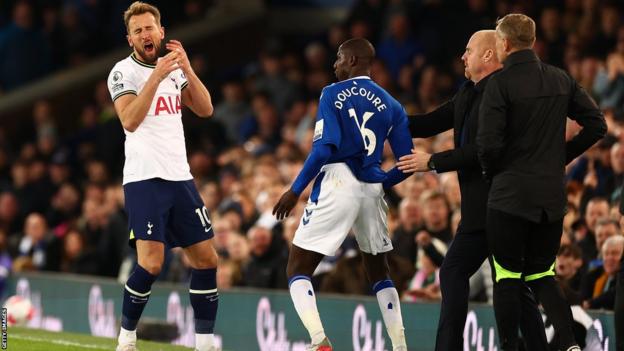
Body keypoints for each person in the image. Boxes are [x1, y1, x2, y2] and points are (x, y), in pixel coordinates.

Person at [396, 30, 548, 351]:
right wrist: (385, 117)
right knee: (453, 272)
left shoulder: (507, 95)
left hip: (506, 209)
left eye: (468, 51)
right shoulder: (468, 92)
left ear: (489, 55)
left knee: (513, 287)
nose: (463, 57)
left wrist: (433, 161)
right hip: (478, 214)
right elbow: (429, 122)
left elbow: (483, 150)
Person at [272, 38, 413, 351]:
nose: (334, 65)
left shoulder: (332, 93)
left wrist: (295, 190)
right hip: (372, 186)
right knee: (379, 271)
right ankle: (400, 346)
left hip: (338, 180)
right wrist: (381, 180)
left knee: (297, 268)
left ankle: (318, 340)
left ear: (351, 59)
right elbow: (408, 163)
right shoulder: (392, 104)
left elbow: (324, 149)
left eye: (337, 58)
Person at [477, 14, 606, 351]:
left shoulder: (499, 85)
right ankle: (568, 344)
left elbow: (488, 145)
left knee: (506, 278)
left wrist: (494, 174)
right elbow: (596, 125)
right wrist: (560, 158)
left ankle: (509, 346)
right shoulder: (560, 78)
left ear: (504, 43)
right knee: (543, 275)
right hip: (550, 197)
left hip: (509, 196)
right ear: (532, 40)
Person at [107, 2, 218, 351]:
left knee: (207, 260)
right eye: (138, 30)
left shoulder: (175, 69)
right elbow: (129, 120)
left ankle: (203, 343)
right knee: (151, 264)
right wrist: (155, 76)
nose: (145, 34)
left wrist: (186, 68)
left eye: (149, 28)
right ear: (130, 39)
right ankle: (126, 337)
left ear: (161, 31)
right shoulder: (122, 72)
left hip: (180, 177)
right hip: (144, 178)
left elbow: (205, 108)